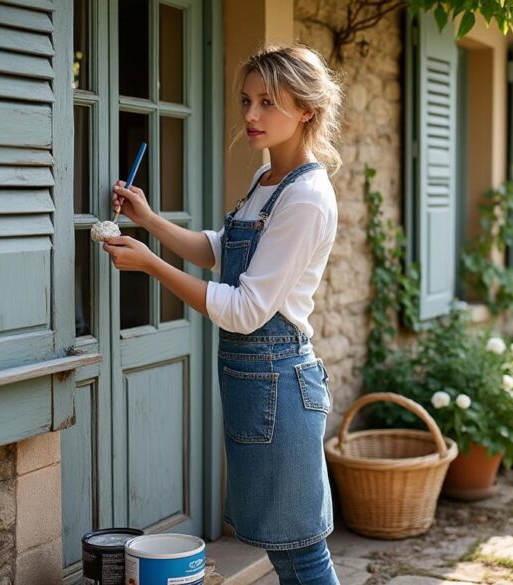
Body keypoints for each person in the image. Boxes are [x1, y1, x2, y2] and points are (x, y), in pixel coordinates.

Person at [101, 44, 343, 585]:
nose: (251, 116)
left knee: (301, 552)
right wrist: (151, 221)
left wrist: (150, 266)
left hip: (279, 383)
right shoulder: (267, 181)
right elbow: (221, 248)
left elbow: (246, 309)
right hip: (256, 383)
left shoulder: (306, 197)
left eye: (268, 102)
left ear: (306, 109)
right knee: (284, 550)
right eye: (246, 100)